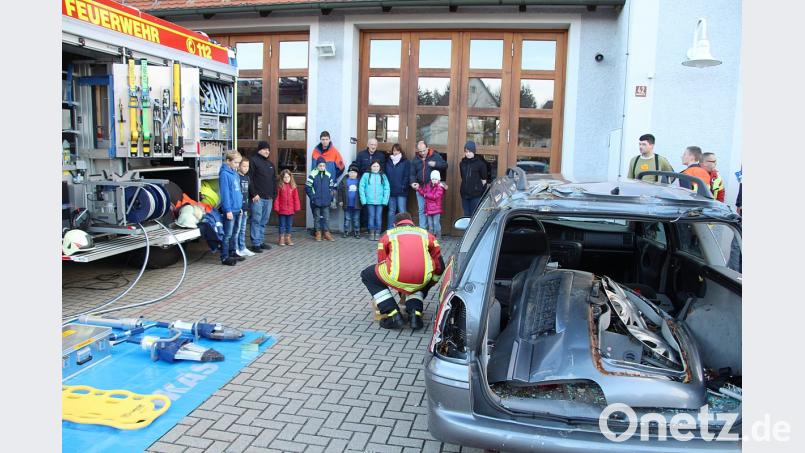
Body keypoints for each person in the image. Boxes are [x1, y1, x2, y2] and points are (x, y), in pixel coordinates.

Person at [360, 212, 444, 330]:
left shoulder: (387, 234)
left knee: (368, 275)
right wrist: (430, 284)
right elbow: (439, 264)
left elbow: (382, 261)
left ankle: (393, 314)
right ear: (413, 224)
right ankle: (415, 315)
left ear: (395, 225)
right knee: (416, 281)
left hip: (397, 275)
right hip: (422, 277)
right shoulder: (427, 234)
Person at [410, 140, 448, 228]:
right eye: (420, 151)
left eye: (424, 150)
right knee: (421, 210)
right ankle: (423, 230)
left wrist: (435, 164)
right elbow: (412, 173)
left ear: (427, 148)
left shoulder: (435, 155)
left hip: (433, 189)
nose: (422, 153)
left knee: (434, 211)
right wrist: (412, 183)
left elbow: (445, 165)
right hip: (421, 188)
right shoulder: (415, 159)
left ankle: (434, 232)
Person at [248, 141, 276, 253]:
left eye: (268, 150)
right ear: (259, 149)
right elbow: (249, 178)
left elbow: (274, 180)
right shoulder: (253, 161)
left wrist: (274, 194)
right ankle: (255, 243)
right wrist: (253, 194)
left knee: (264, 220)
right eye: (264, 149)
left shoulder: (270, 164)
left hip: (268, 198)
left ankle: (260, 240)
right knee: (256, 220)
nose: (267, 151)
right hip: (257, 198)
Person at [218, 150, 243, 266]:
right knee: (227, 234)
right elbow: (225, 193)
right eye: (236, 162)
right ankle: (224, 256)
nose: (237, 165)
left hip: (237, 208)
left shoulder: (235, 173)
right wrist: (227, 210)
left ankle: (233, 252)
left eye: (239, 163)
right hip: (230, 210)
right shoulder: (224, 174)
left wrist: (240, 206)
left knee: (234, 233)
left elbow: (238, 192)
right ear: (228, 161)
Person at [306, 156, 336, 242]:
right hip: (316, 201)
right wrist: (313, 197)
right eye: (320, 165)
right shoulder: (313, 174)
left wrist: (330, 197)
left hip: (326, 201)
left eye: (323, 165)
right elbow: (308, 187)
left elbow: (331, 187)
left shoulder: (328, 175)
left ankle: (326, 233)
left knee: (326, 217)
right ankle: (318, 233)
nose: (322, 167)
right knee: (317, 217)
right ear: (317, 166)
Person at [359, 160, 390, 240]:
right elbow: (361, 187)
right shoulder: (366, 175)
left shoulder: (383, 175)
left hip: (380, 201)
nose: (375, 168)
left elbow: (387, 188)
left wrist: (385, 200)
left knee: (378, 217)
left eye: (377, 166)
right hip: (370, 200)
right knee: (371, 216)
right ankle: (371, 232)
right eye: (374, 166)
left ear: (379, 167)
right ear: (371, 167)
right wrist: (363, 199)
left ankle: (378, 232)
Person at [385, 143, 410, 231]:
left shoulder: (405, 162)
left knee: (402, 211)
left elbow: (407, 176)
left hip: (401, 191)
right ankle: (390, 229)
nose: (395, 152)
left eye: (397, 150)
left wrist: (403, 186)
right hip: (391, 190)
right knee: (391, 211)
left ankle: (404, 229)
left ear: (400, 151)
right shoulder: (388, 161)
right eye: (394, 150)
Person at [459, 140, 488, 217]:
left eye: (470, 151)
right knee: (466, 215)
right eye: (466, 151)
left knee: (474, 216)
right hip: (464, 194)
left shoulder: (480, 164)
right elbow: (463, 177)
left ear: (474, 151)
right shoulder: (462, 163)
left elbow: (484, 180)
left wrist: (479, 191)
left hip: (476, 195)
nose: (468, 153)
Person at [273, 169, 301, 246]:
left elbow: (296, 198)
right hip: (282, 210)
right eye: (285, 177)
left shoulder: (293, 186)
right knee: (282, 224)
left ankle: (288, 237)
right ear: (282, 178)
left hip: (291, 210)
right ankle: (281, 238)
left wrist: (297, 207)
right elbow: (277, 198)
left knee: (289, 224)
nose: (286, 179)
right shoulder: (280, 186)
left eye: (288, 177)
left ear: (290, 177)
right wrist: (276, 207)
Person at [235, 158, 255, 257]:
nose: (246, 168)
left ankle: (242, 247)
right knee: (237, 229)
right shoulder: (237, 177)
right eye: (244, 166)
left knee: (243, 229)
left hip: (245, 207)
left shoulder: (247, 178)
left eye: (247, 166)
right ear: (239, 166)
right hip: (239, 208)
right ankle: (236, 248)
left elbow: (248, 193)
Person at [418, 170, 446, 239]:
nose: (434, 180)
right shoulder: (428, 186)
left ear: (438, 179)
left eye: (436, 179)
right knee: (430, 224)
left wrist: (425, 195)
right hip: (428, 209)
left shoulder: (440, 187)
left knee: (436, 223)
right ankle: (431, 237)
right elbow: (423, 192)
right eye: (433, 179)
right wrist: (419, 189)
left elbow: (435, 196)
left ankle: (438, 236)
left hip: (436, 209)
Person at [338, 164, 363, 238]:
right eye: (351, 172)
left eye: (354, 173)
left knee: (356, 219)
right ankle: (346, 231)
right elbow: (340, 191)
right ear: (348, 173)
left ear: (357, 174)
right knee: (347, 219)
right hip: (347, 203)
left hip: (357, 204)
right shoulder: (344, 180)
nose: (352, 174)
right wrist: (340, 200)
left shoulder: (359, 181)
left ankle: (357, 232)